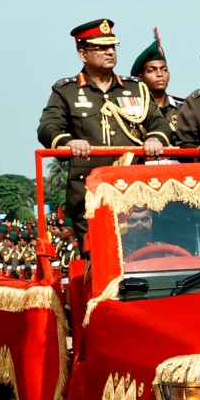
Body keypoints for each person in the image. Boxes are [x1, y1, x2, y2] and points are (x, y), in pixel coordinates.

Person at [37, 19, 169, 243]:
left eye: (112, 47)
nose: (109, 52)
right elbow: (48, 126)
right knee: (96, 255)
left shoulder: (136, 88)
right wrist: (68, 142)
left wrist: (156, 138)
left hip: (133, 190)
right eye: (100, 48)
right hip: (89, 192)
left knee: (138, 256)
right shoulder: (66, 90)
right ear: (82, 54)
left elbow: (159, 122)